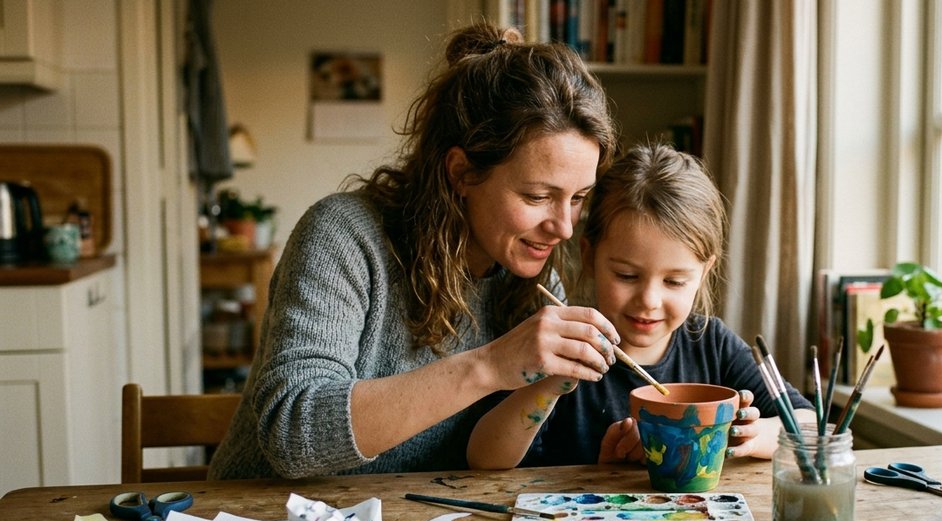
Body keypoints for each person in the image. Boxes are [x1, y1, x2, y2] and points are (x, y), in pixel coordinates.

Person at [208, 23, 620, 480]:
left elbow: (488, 460)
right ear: (462, 173)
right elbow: (292, 436)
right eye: (538, 197)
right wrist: (491, 365)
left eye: (579, 197)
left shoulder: (533, 285)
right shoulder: (344, 237)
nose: (563, 227)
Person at [467, 143, 815, 469]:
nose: (649, 301)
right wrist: (549, 383)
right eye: (627, 275)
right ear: (589, 257)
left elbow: (812, 425)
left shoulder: (712, 345)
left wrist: (750, 436)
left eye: (675, 282)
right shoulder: (562, 344)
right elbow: (485, 459)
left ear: (704, 272)